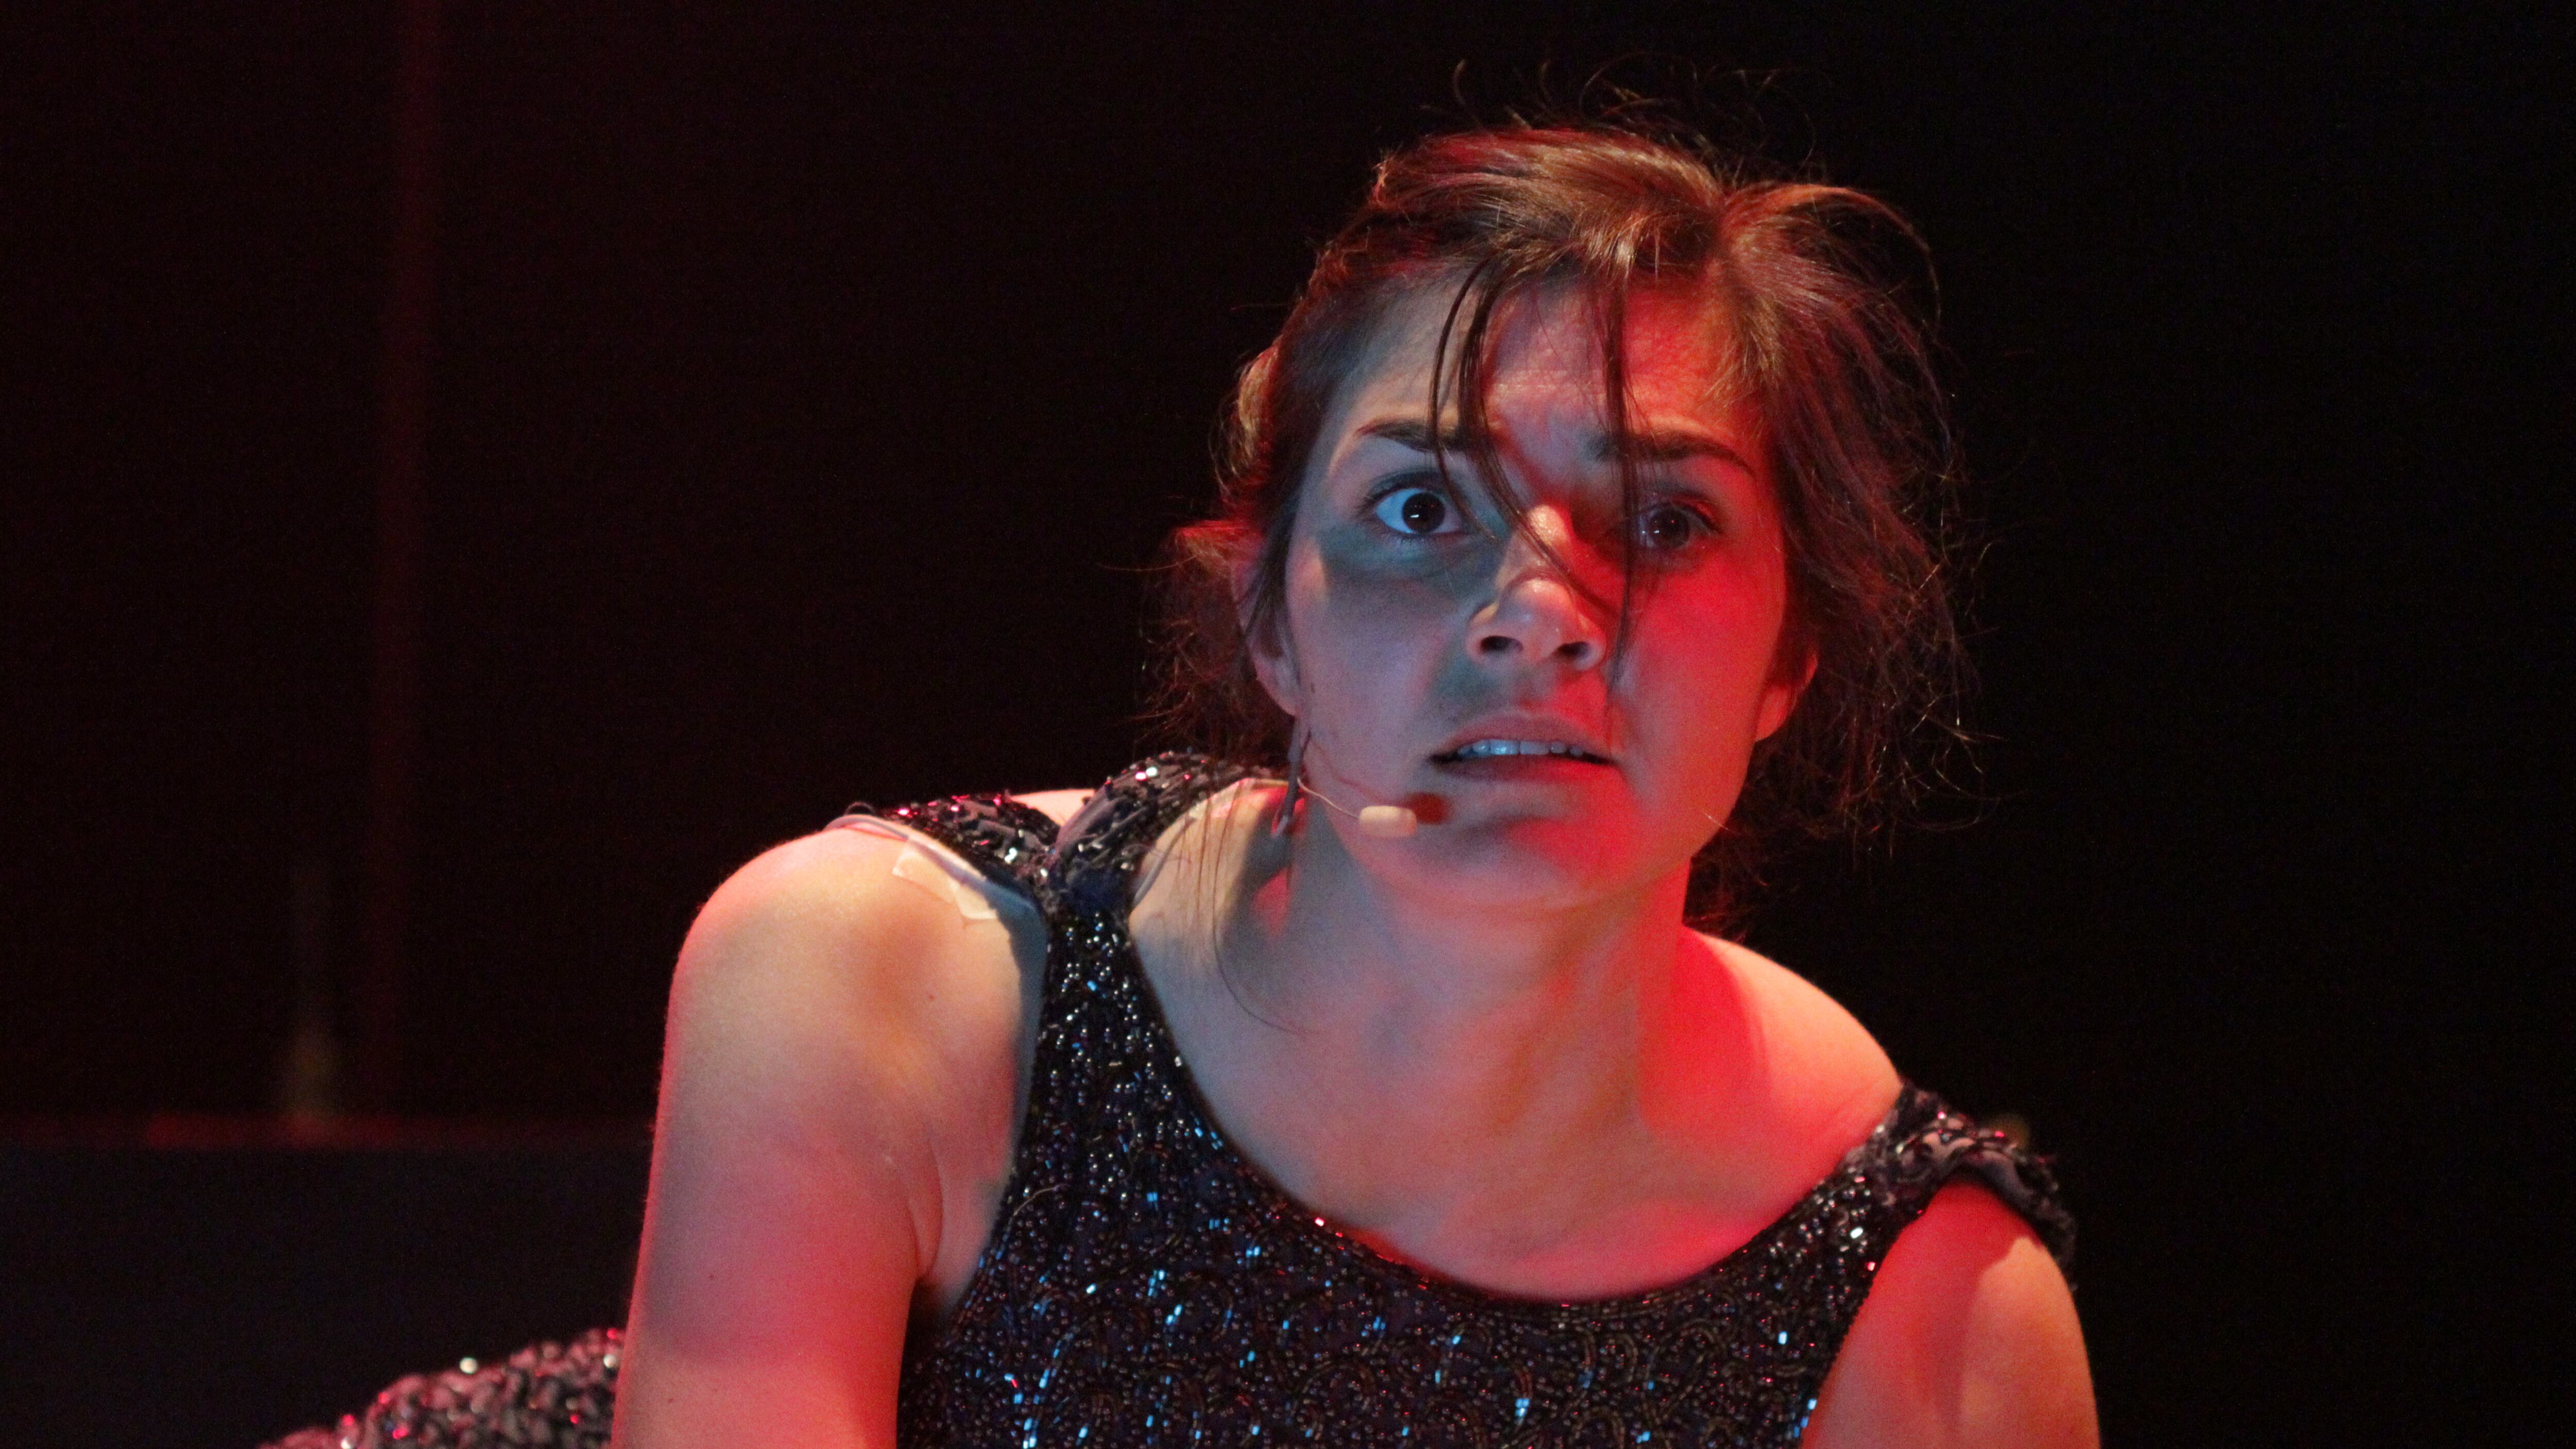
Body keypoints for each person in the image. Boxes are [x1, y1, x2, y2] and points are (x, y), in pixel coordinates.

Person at [281, 118, 2093, 1449]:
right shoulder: (884, 981)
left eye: (1669, 522)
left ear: (1791, 658)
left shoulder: (1924, 1299)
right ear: (1270, 626)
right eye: (1419, 508)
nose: (1539, 612)